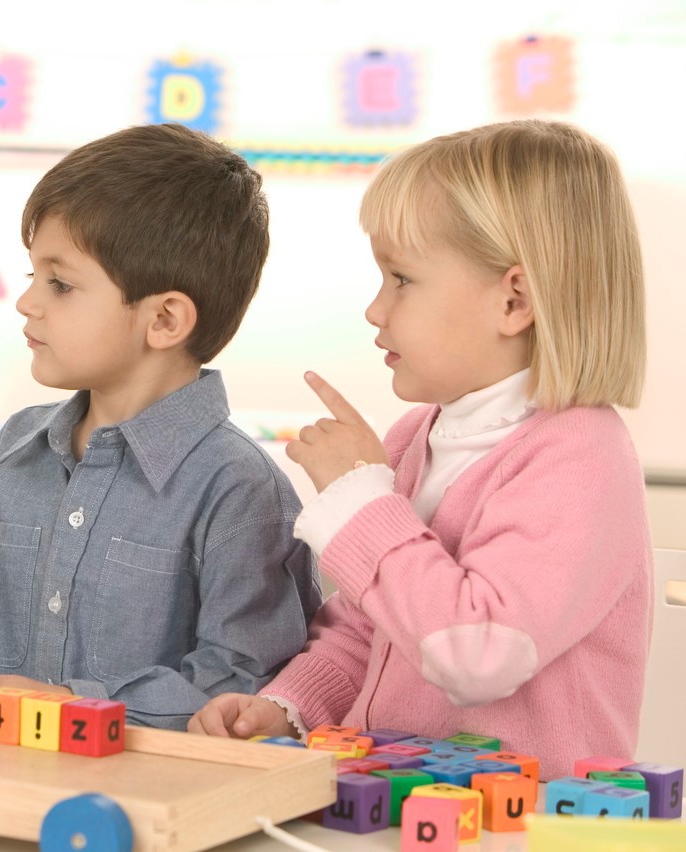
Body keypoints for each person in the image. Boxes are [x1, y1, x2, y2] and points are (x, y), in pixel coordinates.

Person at [0, 122, 322, 734]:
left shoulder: (240, 490)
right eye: (32, 277)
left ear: (165, 319)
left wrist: (65, 703)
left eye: (60, 284)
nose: (28, 303)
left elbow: (241, 684)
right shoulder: (12, 453)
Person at [188, 119, 652, 781]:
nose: (376, 310)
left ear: (513, 299)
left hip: (522, 825)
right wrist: (288, 706)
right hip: (393, 806)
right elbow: (366, 629)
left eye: (401, 279)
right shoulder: (414, 438)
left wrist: (359, 500)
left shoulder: (578, 456)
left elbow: (478, 656)